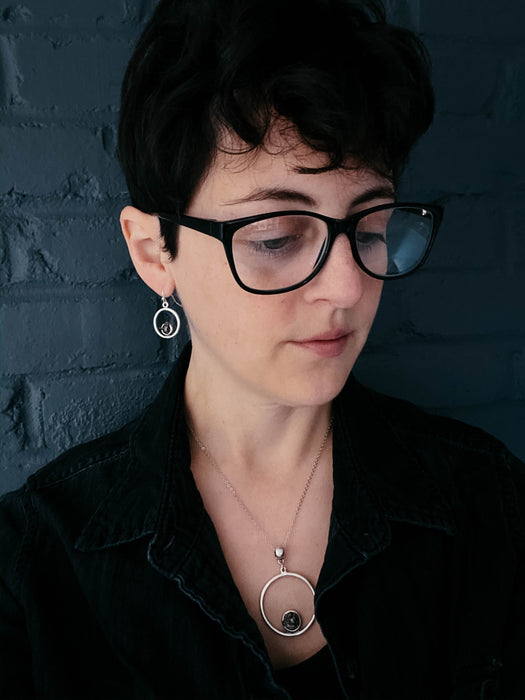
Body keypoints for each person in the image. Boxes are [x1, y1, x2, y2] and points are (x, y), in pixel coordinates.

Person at [0, 0, 524, 698]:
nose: (345, 286)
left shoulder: (485, 504)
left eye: (370, 225)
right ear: (156, 252)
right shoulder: (34, 569)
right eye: (277, 236)